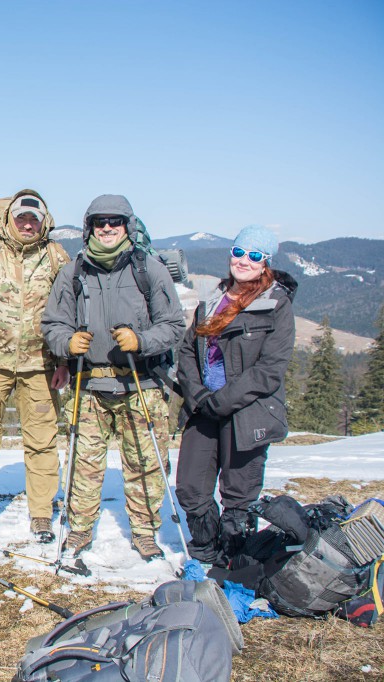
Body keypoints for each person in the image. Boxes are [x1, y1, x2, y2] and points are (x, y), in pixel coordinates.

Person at [41, 194, 185, 564]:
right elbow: (53, 324)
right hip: (88, 383)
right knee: (83, 466)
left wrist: (142, 341)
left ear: (128, 226)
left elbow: (172, 326)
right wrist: (66, 342)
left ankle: (145, 533)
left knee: (145, 464)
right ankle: (78, 530)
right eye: (100, 222)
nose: (108, 228)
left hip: (142, 382)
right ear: (90, 227)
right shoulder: (73, 272)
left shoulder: (148, 269)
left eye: (115, 222)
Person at [175, 225, 296, 565]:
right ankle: (204, 552)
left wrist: (222, 399)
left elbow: (271, 368)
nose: (245, 261)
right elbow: (187, 351)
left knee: (238, 494)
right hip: (204, 408)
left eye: (254, 256)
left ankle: (233, 561)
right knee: (190, 486)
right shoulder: (213, 301)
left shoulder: (275, 305)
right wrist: (197, 394)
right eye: (240, 252)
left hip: (248, 411)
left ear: (266, 263)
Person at [0, 191, 71, 542]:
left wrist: (65, 362)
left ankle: (42, 512)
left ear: (44, 221)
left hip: (41, 364)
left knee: (42, 440)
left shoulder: (55, 256)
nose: (28, 224)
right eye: (22, 218)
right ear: (9, 218)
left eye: (34, 219)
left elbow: (67, 312)